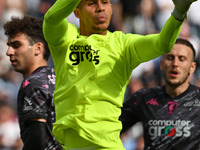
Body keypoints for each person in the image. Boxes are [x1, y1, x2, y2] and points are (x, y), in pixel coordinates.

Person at [42, 0, 197, 149]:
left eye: (104, 2)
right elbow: (51, 19)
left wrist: (179, 12)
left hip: (105, 145)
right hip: (68, 145)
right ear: (77, 12)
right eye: (91, 3)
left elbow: (162, 44)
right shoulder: (66, 38)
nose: (100, 8)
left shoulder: (124, 45)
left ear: (111, 7)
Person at [120, 38, 200, 150]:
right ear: (162, 65)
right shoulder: (143, 98)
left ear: (192, 68)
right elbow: (109, 129)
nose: (175, 64)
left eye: (182, 59)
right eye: (170, 58)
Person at [4, 16, 63, 150]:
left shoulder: (33, 84)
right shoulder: (60, 77)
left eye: (16, 45)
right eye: (9, 46)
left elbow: (36, 141)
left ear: (37, 48)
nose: (9, 52)